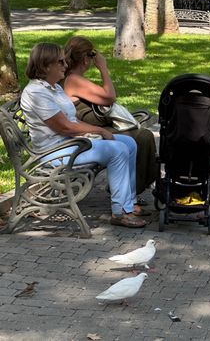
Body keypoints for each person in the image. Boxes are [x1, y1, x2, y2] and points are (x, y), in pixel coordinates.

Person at [20, 43, 145, 228]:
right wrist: (101, 131)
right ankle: (120, 212)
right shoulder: (37, 92)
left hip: (71, 143)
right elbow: (65, 127)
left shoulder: (53, 87)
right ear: (46, 66)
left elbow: (72, 121)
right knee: (117, 150)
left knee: (129, 142)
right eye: (60, 62)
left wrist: (99, 132)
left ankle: (129, 202)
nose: (65, 65)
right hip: (54, 152)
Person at [63, 36, 157, 208]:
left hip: (96, 126)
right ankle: (129, 193)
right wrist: (103, 68)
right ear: (85, 59)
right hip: (89, 131)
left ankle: (129, 191)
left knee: (143, 136)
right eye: (91, 58)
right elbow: (109, 97)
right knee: (142, 137)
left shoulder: (72, 78)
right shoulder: (74, 80)